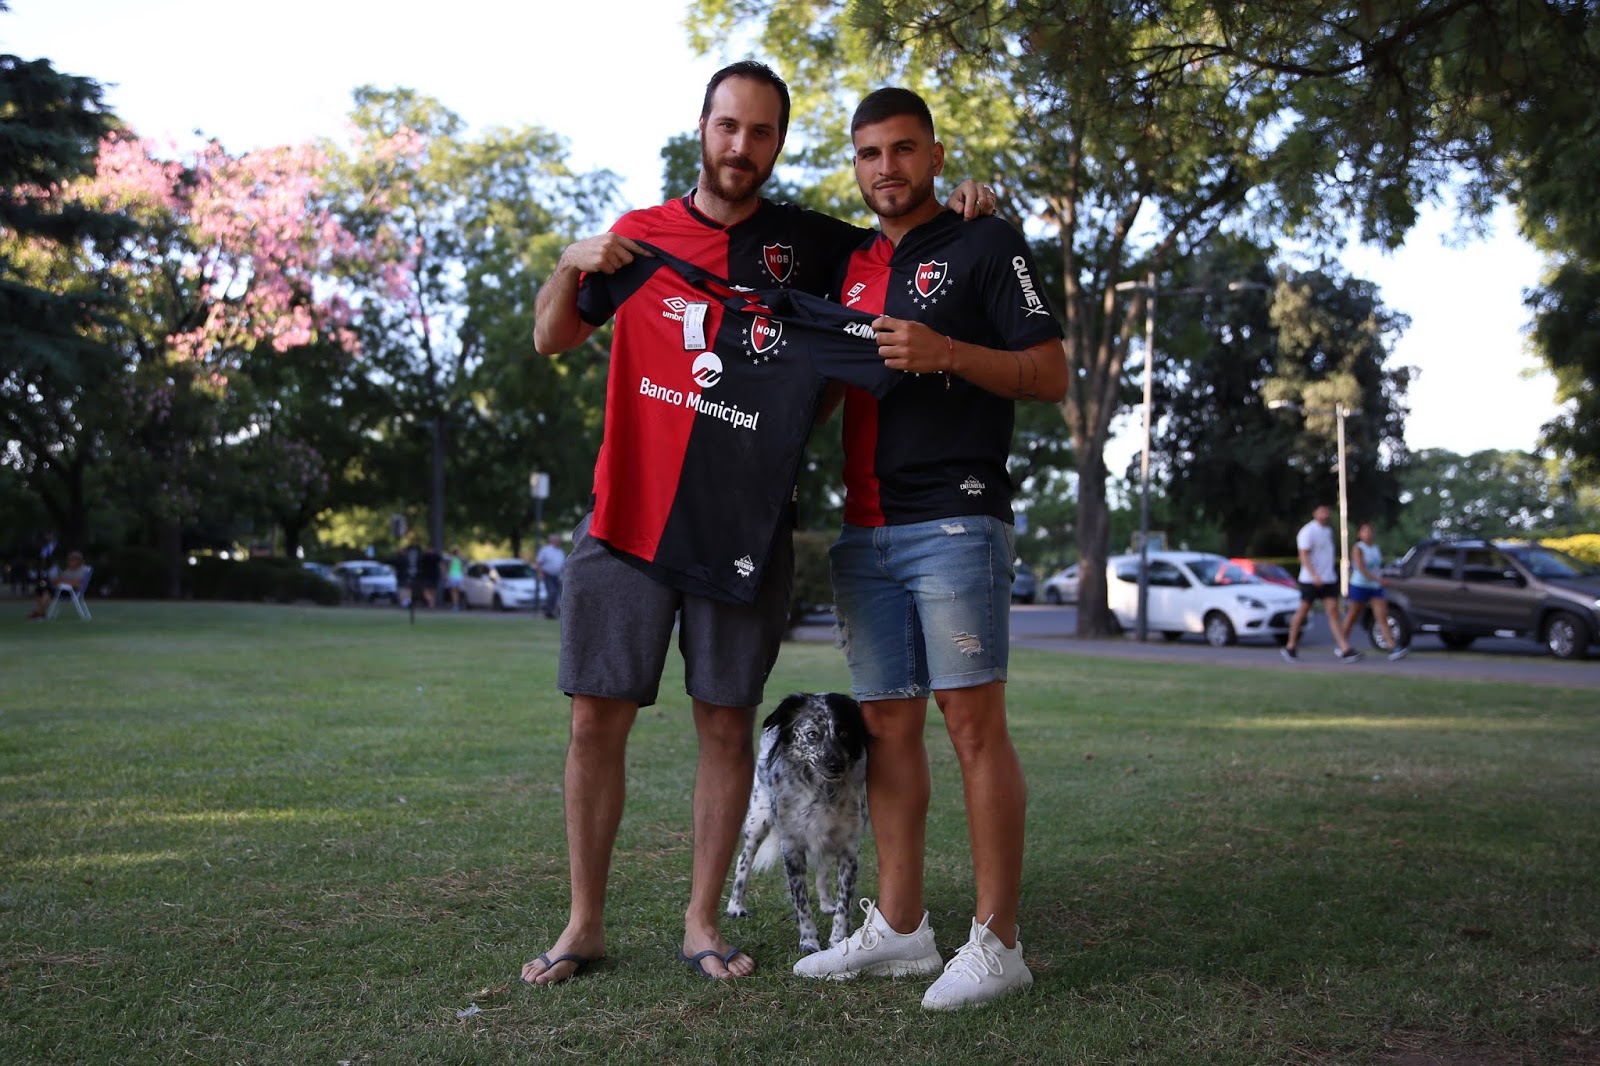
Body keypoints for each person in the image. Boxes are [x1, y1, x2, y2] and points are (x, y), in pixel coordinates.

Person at [522, 60, 1000, 987]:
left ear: (780, 142)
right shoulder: (637, 238)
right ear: (702, 128)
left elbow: (905, 237)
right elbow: (551, 336)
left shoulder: (813, 245)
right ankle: (583, 924)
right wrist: (570, 262)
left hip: (744, 527)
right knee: (593, 724)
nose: (742, 146)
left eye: (762, 132)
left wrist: (963, 202)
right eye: (728, 126)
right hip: (627, 516)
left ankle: (702, 923)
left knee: (726, 725)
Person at [792, 88, 1068, 1011]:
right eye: (870, 153)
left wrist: (945, 350)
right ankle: (903, 929)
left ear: (936, 156)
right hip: (864, 529)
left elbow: (1050, 372)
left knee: (972, 727)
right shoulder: (850, 263)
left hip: (954, 518)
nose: (887, 168)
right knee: (887, 729)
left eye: (904, 149)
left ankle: (999, 943)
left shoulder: (984, 241)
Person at [1281, 503, 1362, 663]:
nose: (1325, 515)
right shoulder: (1308, 531)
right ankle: (1290, 646)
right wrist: (1314, 575)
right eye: (1322, 511)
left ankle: (1344, 648)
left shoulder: (1328, 531)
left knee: (1333, 612)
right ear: (1315, 513)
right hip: (1310, 580)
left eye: (1327, 511)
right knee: (1303, 611)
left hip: (1328, 578)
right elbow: (1303, 555)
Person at [1339, 522, 1410, 661]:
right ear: (1360, 534)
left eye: (1370, 531)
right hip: (1359, 585)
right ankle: (1342, 643)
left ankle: (1392, 646)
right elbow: (1361, 568)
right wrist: (1378, 579)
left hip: (1375, 587)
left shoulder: (1376, 548)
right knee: (1353, 615)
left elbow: (1377, 567)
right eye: (1364, 531)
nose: (1368, 534)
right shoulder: (1358, 548)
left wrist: (1381, 578)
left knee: (1382, 615)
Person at [32, 549, 87, 619]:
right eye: (69, 559)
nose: (68, 561)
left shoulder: (82, 571)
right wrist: (59, 581)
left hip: (71, 591)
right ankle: (41, 611)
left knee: (47, 592)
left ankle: (39, 613)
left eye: (72, 560)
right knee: (39, 590)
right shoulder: (68, 570)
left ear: (78, 560)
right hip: (60, 588)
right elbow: (57, 580)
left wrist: (63, 581)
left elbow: (78, 584)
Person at [534, 534, 565, 619]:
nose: (559, 542)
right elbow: (538, 562)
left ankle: (556, 611)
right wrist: (540, 573)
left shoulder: (560, 551)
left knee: (559, 594)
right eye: (557, 540)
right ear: (553, 540)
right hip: (548, 575)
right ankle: (548, 611)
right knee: (552, 592)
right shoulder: (545, 550)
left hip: (558, 576)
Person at [444, 547, 465, 611]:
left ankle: (455, 605)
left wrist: (446, 575)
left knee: (453, 592)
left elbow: (448, 567)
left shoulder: (451, 559)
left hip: (453, 576)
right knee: (457, 591)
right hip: (459, 576)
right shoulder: (460, 559)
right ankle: (457, 604)